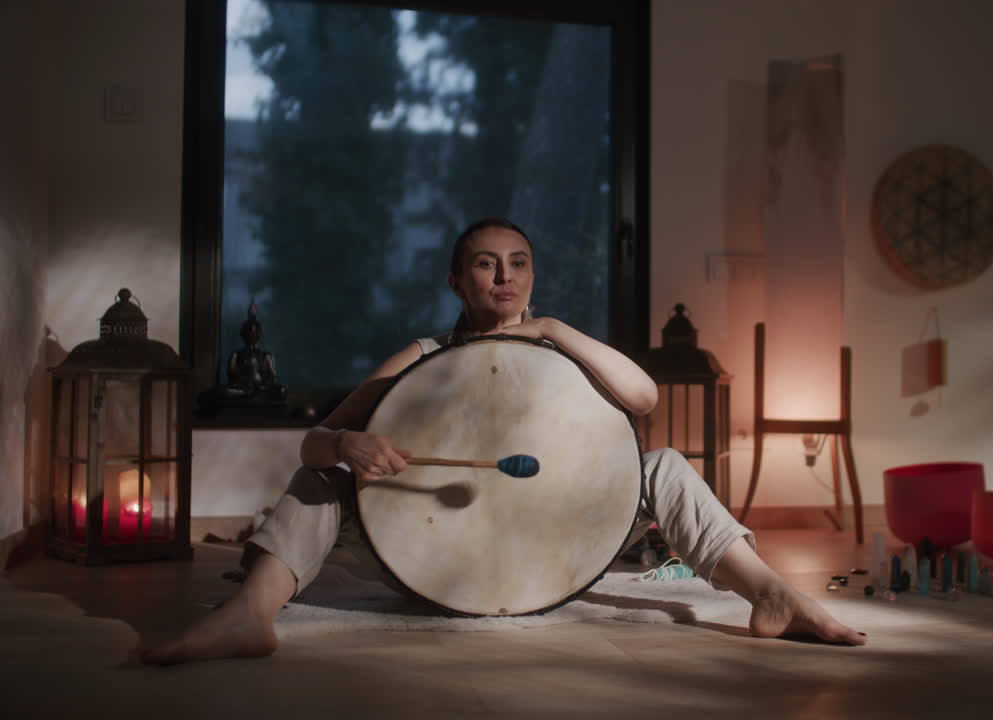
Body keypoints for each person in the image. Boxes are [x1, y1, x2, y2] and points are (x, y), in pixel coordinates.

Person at [141, 218, 866, 665]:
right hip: (433, 557)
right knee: (319, 478)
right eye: (486, 263)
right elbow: (313, 444)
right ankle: (250, 618)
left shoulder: (560, 349)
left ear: (533, 277)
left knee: (666, 465)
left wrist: (549, 331)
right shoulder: (423, 357)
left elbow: (644, 397)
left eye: (518, 262)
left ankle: (771, 596)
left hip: (557, 545)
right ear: (457, 281)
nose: (505, 275)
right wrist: (347, 446)